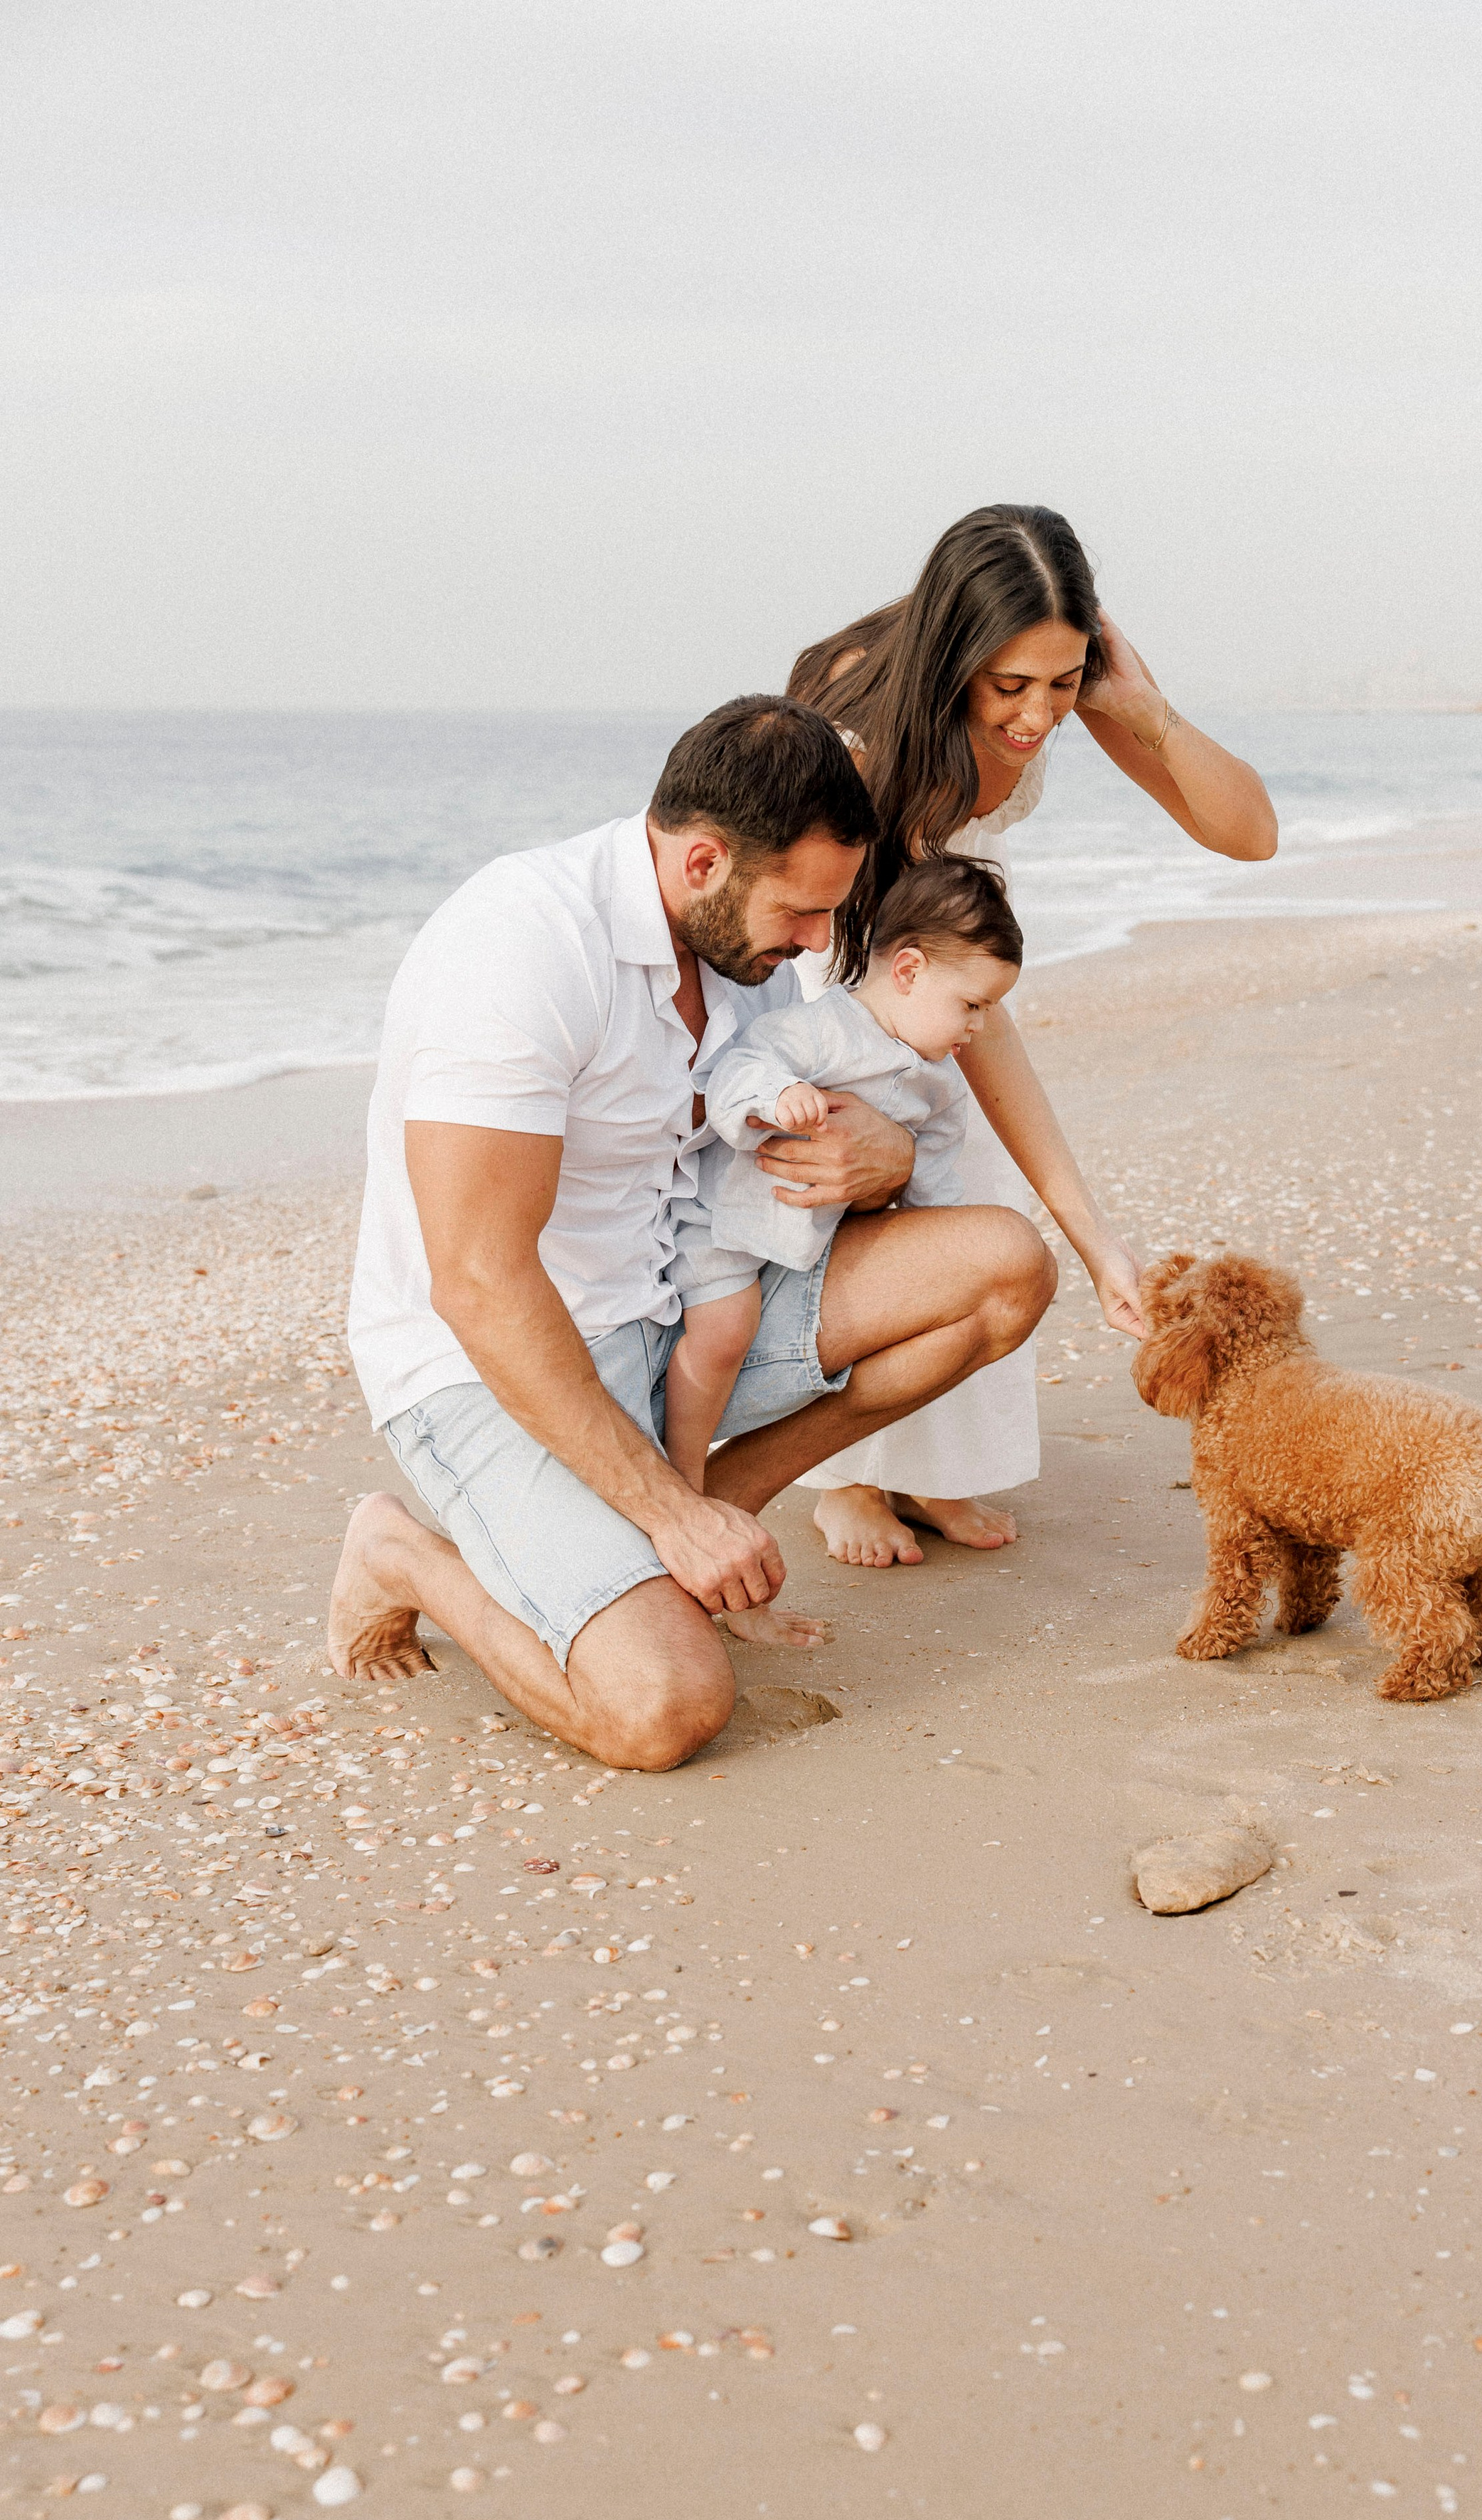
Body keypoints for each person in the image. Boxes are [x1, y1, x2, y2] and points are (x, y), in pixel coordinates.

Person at [330, 696, 1056, 1772]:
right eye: (803, 914)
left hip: (683, 1314)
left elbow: (770, 1162)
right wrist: (664, 1515)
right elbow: (478, 1283)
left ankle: (710, 1518)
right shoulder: (521, 945)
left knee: (1004, 1269)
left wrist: (886, 1160)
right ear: (705, 859)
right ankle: (406, 1556)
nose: (819, 944)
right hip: (494, 1368)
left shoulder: (745, 968)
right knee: (660, 1710)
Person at [778, 502, 1278, 1569]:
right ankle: (847, 1478)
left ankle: (926, 1470)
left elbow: (1251, 835)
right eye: (1011, 687)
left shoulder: (1056, 688)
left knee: (982, 1178)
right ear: (956, 654)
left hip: (949, 938)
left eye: (1062, 683)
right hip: (840, 948)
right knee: (896, 1181)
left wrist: (1141, 710)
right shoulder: (862, 738)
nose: (1039, 717)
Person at [663, 855, 1023, 1490]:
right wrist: (774, 1098)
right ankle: (685, 1476)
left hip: (806, 1247)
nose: (979, 1025)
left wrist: (933, 1249)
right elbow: (735, 1071)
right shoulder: (824, 1030)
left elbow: (935, 1191)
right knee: (721, 1335)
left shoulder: (938, 1087)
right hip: (726, 1226)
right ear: (908, 970)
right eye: (972, 1004)